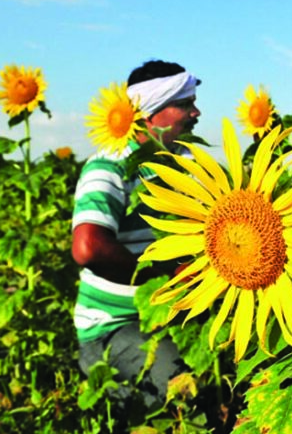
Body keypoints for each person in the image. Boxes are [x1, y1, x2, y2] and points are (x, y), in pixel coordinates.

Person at [71, 59, 201, 410]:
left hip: (176, 312)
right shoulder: (111, 165)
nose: (196, 113)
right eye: (184, 104)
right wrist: (165, 274)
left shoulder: (184, 163)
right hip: (117, 324)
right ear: (149, 114)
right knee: (185, 394)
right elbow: (88, 247)